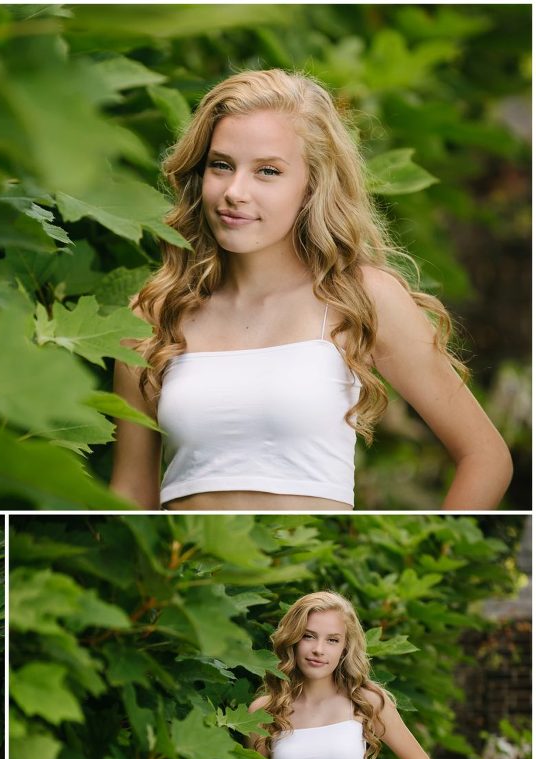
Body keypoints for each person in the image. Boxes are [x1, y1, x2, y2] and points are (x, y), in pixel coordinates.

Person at [110, 68, 512, 512]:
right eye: (221, 166)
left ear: (312, 185)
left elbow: (486, 457)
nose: (234, 192)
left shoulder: (361, 298)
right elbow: (129, 492)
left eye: (267, 171)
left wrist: (442, 545)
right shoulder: (153, 314)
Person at [247, 591, 432, 759]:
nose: (319, 649)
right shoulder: (265, 710)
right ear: (293, 640)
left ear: (345, 647)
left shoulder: (367, 701)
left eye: (332, 640)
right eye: (308, 636)